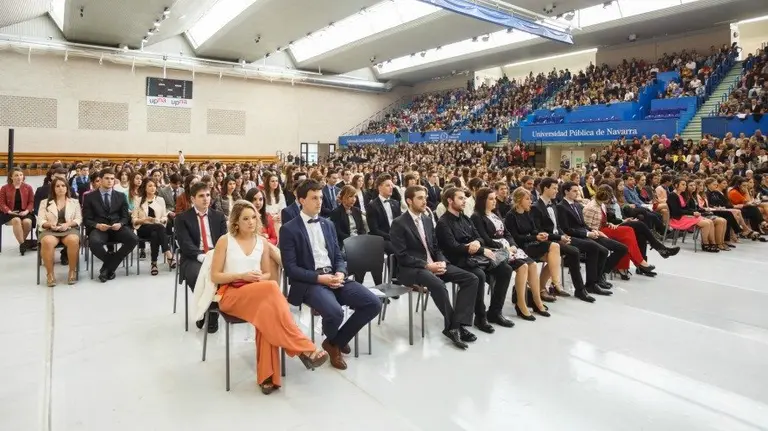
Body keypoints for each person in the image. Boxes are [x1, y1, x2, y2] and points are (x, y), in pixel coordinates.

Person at [207, 200, 328, 395]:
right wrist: (242, 276)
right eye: (245, 219)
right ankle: (303, 347)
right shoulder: (225, 240)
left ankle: (268, 377)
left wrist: (256, 278)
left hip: (256, 292)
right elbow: (215, 276)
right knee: (272, 287)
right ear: (236, 221)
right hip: (230, 295)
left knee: (267, 314)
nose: (251, 222)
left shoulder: (262, 242)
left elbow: (266, 274)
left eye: (254, 217)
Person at [279, 180, 382, 370]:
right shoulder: (289, 229)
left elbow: (337, 256)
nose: (319, 202)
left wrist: (341, 272)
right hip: (311, 282)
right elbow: (291, 269)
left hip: (334, 276)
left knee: (373, 303)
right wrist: (320, 278)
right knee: (335, 313)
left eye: (320, 197)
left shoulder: (328, 224)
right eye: (314, 198)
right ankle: (336, 342)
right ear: (301, 200)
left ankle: (334, 342)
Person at [389, 185, 481, 350]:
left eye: (425, 197)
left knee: (471, 278)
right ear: (409, 201)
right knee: (438, 284)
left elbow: (436, 247)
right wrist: (426, 265)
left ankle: (456, 325)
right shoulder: (399, 223)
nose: (425, 201)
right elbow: (402, 256)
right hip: (412, 268)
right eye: (420, 198)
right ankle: (455, 328)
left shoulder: (426, 219)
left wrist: (442, 261)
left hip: (433, 264)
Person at [470, 187, 549, 319]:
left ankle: (537, 301)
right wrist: (505, 246)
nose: (494, 201)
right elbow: (485, 239)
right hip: (495, 251)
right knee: (523, 266)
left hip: (507, 248)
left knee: (533, 265)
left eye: (494, 199)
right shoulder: (476, 216)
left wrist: (512, 244)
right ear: (482, 201)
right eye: (491, 199)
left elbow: (507, 233)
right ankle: (521, 304)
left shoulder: (495, 213)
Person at [174, 182, 228, 333]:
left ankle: (207, 311)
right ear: (193, 199)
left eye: (208, 195)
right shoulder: (182, 218)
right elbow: (185, 243)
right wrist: (201, 257)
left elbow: (223, 240)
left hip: (216, 254)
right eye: (201, 196)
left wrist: (215, 256)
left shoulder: (218, 216)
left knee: (223, 275)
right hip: (193, 257)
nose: (206, 199)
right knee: (200, 276)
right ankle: (210, 312)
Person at [558, 181, 627, 293]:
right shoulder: (561, 206)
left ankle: (596, 280)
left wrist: (592, 230)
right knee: (596, 248)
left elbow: (583, 224)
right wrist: (587, 234)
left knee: (605, 250)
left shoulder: (577, 205)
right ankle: (591, 283)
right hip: (573, 236)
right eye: (574, 191)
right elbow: (566, 229)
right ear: (566, 192)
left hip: (584, 233)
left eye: (577, 191)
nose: (577, 193)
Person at [582, 186, 658, 279]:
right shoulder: (591, 207)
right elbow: (587, 227)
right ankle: (639, 262)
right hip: (597, 232)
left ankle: (628, 266)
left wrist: (609, 223)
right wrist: (602, 231)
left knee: (628, 233)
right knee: (629, 233)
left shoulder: (601, 204)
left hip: (604, 228)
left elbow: (603, 221)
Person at [82, 169, 138, 282]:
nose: (110, 181)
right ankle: (111, 264)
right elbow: (86, 219)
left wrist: (120, 223)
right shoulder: (89, 197)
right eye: (107, 178)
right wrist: (97, 225)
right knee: (94, 242)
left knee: (133, 239)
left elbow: (125, 216)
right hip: (99, 229)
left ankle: (107, 268)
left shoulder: (121, 196)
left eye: (112, 179)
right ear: (100, 179)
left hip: (117, 228)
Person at [37, 177, 81, 286]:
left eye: (63, 185)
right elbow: (40, 220)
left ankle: (72, 271)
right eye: (57, 186)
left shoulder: (74, 202)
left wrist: (67, 224)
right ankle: (50, 274)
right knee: (47, 241)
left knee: (73, 240)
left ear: (67, 188)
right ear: (53, 188)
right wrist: (50, 225)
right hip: (50, 230)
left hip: (69, 229)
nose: (60, 188)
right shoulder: (44, 202)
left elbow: (78, 219)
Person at [131, 178, 174, 275]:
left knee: (155, 234)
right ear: (145, 188)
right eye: (150, 186)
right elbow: (134, 219)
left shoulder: (160, 200)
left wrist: (162, 220)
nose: (153, 188)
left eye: (154, 186)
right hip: (143, 228)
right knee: (159, 228)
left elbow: (164, 216)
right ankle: (168, 254)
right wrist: (145, 220)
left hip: (158, 227)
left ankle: (154, 263)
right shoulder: (138, 200)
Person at [667, 178, 718, 252]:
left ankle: (713, 243)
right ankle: (705, 244)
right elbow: (676, 211)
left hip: (684, 216)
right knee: (706, 223)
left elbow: (686, 208)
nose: (685, 186)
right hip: (677, 219)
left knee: (710, 222)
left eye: (685, 185)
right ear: (676, 185)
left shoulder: (680, 195)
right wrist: (692, 213)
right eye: (683, 185)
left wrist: (695, 212)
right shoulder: (672, 195)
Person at [0, 167, 36, 255]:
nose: (19, 177)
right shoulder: (4, 188)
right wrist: (9, 211)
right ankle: (23, 245)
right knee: (17, 220)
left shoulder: (28, 187)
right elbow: (2, 203)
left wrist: (26, 211)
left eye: (21, 175)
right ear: (11, 177)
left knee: (27, 222)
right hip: (9, 213)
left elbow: (31, 202)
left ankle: (22, 243)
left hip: (25, 212)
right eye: (16, 175)